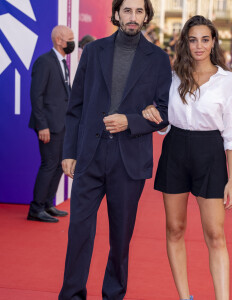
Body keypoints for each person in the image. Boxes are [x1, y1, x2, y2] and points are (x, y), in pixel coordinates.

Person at [59, 0, 172, 299]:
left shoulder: (159, 59)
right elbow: (76, 106)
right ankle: (71, 295)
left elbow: (163, 111)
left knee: (120, 239)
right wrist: (69, 151)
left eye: (138, 11)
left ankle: (113, 294)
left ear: (146, 15)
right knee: (79, 233)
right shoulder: (94, 51)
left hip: (129, 161)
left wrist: (130, 121)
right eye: (127, 10)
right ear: (117, 14)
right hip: (90, 157)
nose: (132, 17)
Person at [142, 15, 232, 300]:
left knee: (215, 234)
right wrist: (155, 117)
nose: (199, 46)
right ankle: (185, 297)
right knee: (174, 229)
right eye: (193, 39)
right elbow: (165, 122)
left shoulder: (229, 82)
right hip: (174, 151)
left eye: (205, 39)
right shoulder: (172, 77)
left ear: (213, 42)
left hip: (210, 153)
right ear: (185, 42)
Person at [27, 25, 75, 223]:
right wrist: (42, 125)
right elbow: (36, 95)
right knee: (49, 165)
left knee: (57, 166)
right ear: (58, 40)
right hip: (49, 126)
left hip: (62, 125)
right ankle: (36, 209)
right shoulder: (44, 62)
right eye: (70, 38)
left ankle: (47, 204)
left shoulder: (62, 62)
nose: (73, 42)